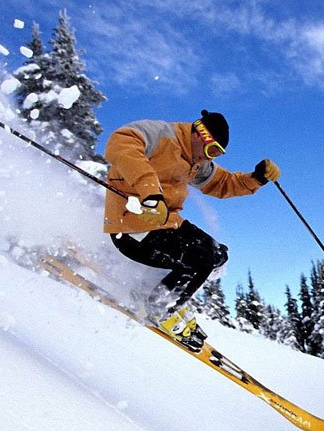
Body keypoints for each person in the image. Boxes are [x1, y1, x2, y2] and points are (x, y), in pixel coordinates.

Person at [103, 110, 280, 347]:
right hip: (132, 224)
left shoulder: (196, 162)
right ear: (200, 134)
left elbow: (222, 183)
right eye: (212, 150)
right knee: (201, 259)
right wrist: (150, 193)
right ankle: (158, 306)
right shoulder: (161, 135)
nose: (211, 158)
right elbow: (120, 142)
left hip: (165, 223)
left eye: (217, 153)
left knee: (217, 253)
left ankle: (156, 292)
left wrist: (256, 179)